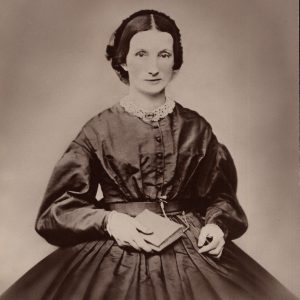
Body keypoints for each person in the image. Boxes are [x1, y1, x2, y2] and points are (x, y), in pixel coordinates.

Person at [0, 9, 297, 300]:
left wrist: (216, 226)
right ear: (123, 61)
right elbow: (57, 211)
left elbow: (220, 196)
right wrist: (111, 222)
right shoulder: (98, 130)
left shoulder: (197, 127)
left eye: (163, 55)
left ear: (175, 62)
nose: (153, 67)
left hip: (190, 247)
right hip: (118, 247)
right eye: (141, 54)